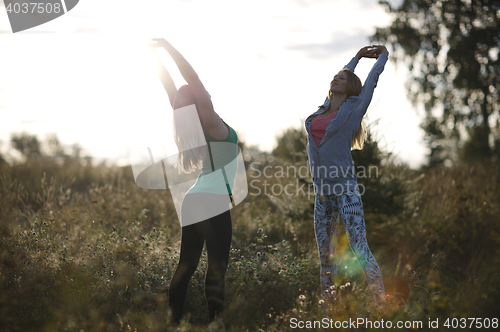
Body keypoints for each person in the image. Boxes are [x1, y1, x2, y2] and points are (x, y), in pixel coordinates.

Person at [149, 38, 237, 329]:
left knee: (185, 267)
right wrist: (169, 48)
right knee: (216, 269)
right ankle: (215, 324)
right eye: (198, 92)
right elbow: (191, 78)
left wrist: (156, 59)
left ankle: (173, 324)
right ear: (199, 98)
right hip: (212, 201)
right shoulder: (210, 120)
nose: (203, 90)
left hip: (193, 199)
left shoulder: (192, 121)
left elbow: (170, 89)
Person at [304, 45, 389, 306]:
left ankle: (381, 303)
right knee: (326, 255)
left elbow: (370, 83)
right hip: (322, 194)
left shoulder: (354, 108)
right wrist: (356, 58)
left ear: (350, 87)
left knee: (359, 247)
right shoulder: (321, 110)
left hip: (345, 190)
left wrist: (381, 56)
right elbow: (344, 76)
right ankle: (331, 308)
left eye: (341, 78)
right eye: (334, 77)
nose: (335, 78)